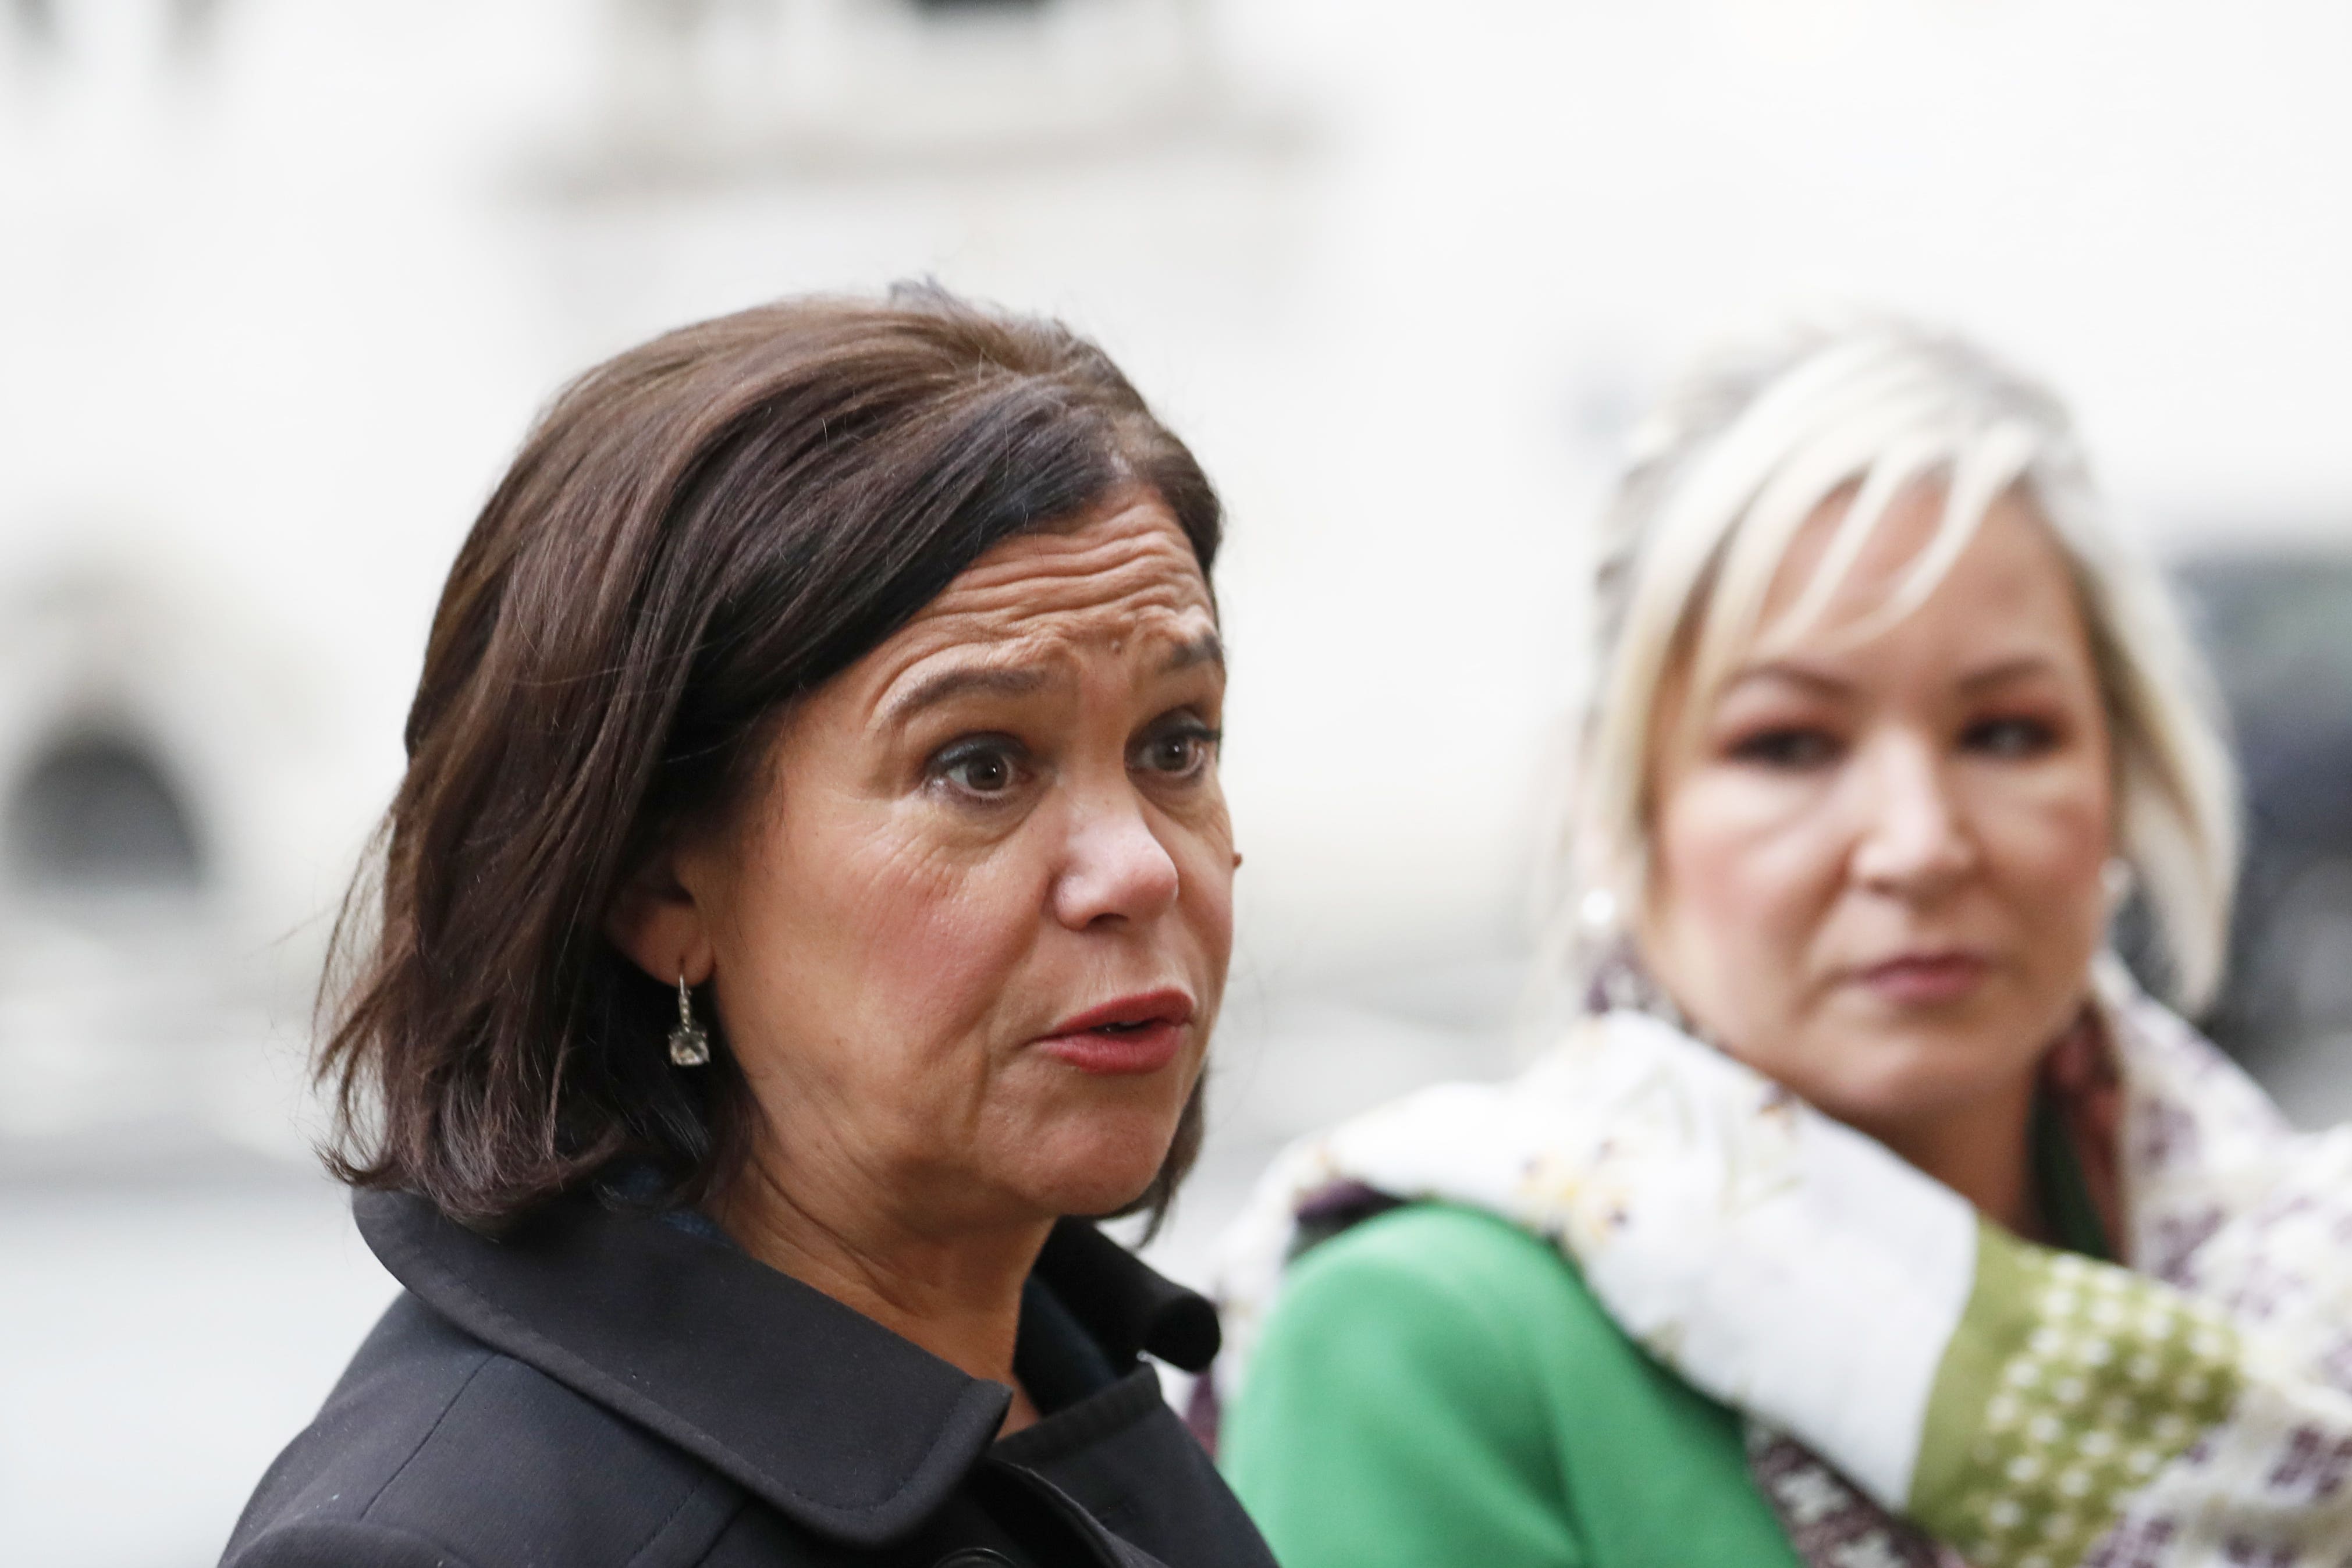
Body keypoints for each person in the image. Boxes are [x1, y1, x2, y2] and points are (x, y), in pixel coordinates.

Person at [1211, 322, 2352, 1568]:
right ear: (1617, 811)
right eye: (1787, 746)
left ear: (2119, 780)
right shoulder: (1420, 1345)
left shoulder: (2294, 1316)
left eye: (2007, 733)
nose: (1915, 843)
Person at [225, 288, 1276, 1568]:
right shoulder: (445, 1542)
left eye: (1175, 744)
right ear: (658, 890)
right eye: (980, 768)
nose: (1137, 872)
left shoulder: (1062, 1378)